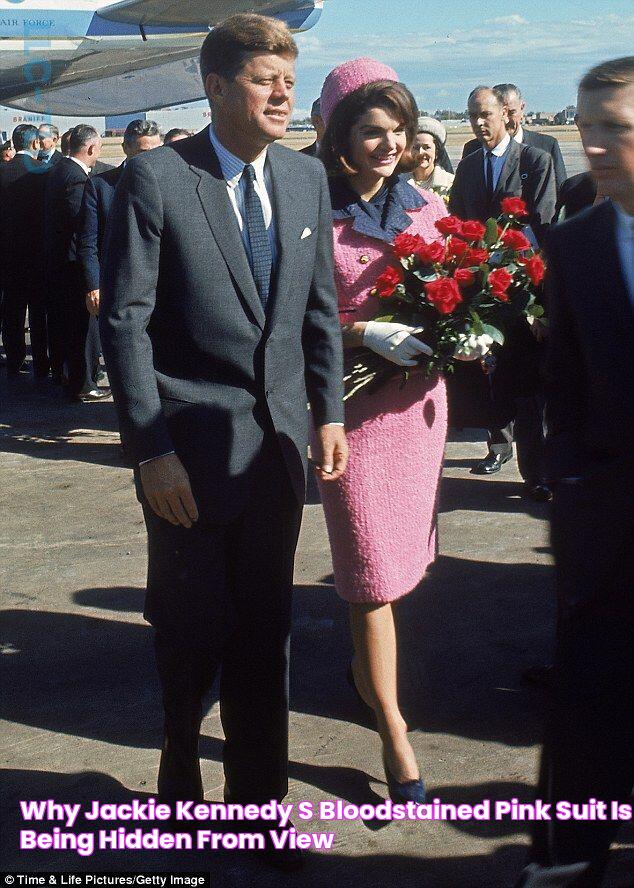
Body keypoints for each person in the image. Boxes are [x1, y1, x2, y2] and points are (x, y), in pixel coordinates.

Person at [99, 13, 347, 872]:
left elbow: (319, 313)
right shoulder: (157, 180)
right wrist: (150, 450)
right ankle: (178, 767)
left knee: (265, 632)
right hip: (189, 458)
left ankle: (258, 809)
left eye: (288, 78)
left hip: (276, 452)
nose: (283, 93)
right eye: (262, 79)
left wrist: (330, 412)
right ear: (214, 87)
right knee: (191, 628)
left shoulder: (309, 181)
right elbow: (126, 323)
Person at [315, 58, 452, 802]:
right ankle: (394, 729)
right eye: (372, 130)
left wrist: (466, 331)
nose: (389, 144)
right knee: (368, 575)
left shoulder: (426, 206)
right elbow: (288, 323)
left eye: (398, 129)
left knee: (396, 569)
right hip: (352, 420)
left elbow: (453, 291)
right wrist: (361, 333)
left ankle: (367, 676)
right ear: (339, 134)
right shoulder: (309, 205)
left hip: (416, 411)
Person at [516, 56, 634, 888]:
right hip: (607, 517)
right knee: (588, 693)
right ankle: (570, 857)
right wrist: (574, 483)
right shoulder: (576, 244)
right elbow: (561, 383)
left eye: (616, 129)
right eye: (587, 126)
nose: (592, 146)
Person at [449, 87, 555, 497]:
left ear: (505, 116)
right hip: (481, 294)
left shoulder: (534, 161)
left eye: (486, 115)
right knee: (493, 380)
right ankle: (498, 447)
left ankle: (537, 474)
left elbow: (540, 224)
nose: (479, 123)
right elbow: (457, 223)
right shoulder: (469, 166)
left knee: (528, 388)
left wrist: (504, 265)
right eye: (473, 115)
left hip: (521, 292)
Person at [76, 120, 162, 392]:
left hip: (161, 286)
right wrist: (94, 284)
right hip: (118, 287)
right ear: (126, 149)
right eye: (142, 152)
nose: (150, 159)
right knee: (126, 360)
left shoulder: (169, 185)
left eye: (155, 151)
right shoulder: (101, 186)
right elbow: (88, 241)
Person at [44, 124, 105, 398]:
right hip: (72, 265)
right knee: (81, 327)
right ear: (91, 148)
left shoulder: (60, 170)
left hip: (58, 262)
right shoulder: (76, 178)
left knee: (67, 324)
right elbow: (82, 224)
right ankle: (83, 384)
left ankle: (71, 376)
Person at [0, 124, 49, 378]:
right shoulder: (44, 173)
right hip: (38, 253)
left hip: (7, 254)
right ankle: (41, 362)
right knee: (39, 311)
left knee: (12, 309)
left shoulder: (2, 172)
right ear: (34, 144)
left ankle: (14, 359)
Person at [462, 84, 567, 193]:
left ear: (522, 108)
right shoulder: (472, 149)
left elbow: (561, 191)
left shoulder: (546, 146)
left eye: (511, 113)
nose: (506, 120)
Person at [411, 116, 454, 193]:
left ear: (436, 152)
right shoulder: (398, 184)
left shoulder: (451, 183)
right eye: (416, 147)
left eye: (427, 147)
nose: (420, 152)